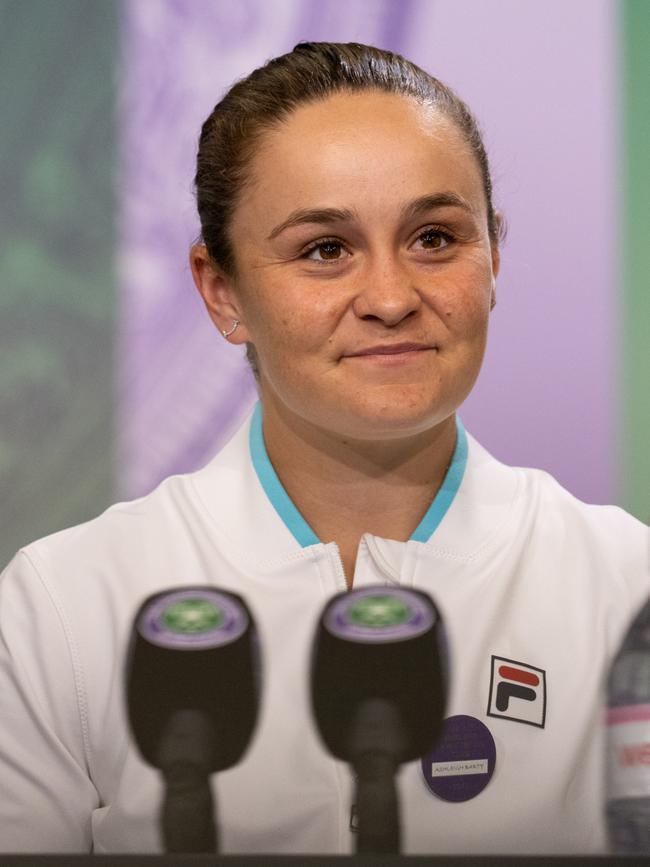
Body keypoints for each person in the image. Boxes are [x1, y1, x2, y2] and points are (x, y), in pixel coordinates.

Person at [0, 42, 647, 856]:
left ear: (494, 261)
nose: (389, 298)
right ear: (222, 292)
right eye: (324, 250)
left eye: (436, 238)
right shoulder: (62, 606)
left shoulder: (629, 586)